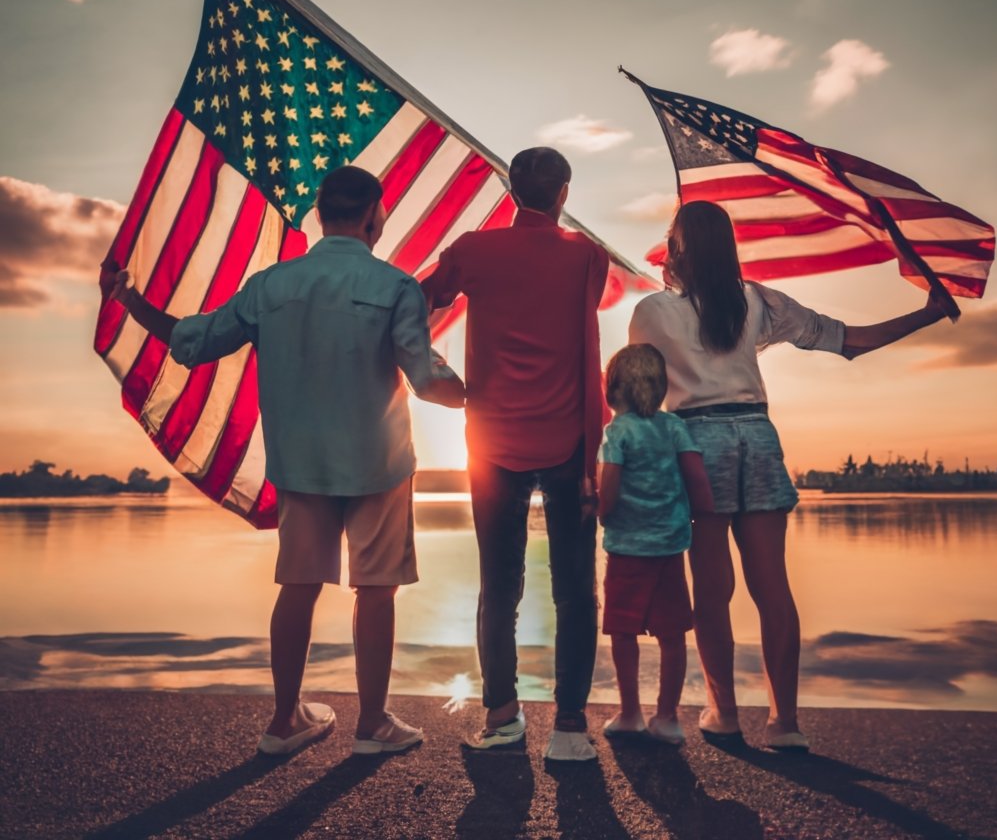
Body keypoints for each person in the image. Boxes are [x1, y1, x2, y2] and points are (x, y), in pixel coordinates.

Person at [103, 166, 465, 757]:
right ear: (374, 213)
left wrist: (127, 298)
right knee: (376, 590)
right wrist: (483, 395)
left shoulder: (271, 285)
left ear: (321, 214)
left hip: (302, 464)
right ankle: (372, 724)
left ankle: (284, 721)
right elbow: (426, 378)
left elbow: (192, 341)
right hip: (379, 462)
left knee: (297, 586)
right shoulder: (395, 286)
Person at [628, 200, 953, 751]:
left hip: (696, 443)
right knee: (771, 584)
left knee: (712, 587)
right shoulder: (758, 303)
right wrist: (927, 312)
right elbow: (852, 341)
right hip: (755, 436)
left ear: (678, 250)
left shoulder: (652, 312)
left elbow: (639, 397)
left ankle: (724, 714)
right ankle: (785, 724)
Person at [420, 146, 609, 761]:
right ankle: (571, 729)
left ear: (511, 189)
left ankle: (503, 718)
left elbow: (420, 300)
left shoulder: (473, 250)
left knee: (498, 586)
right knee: (575, 589)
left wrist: (429, 368)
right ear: (564, 194)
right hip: (569, 443)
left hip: (493, 444)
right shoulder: (589, 258)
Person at [597, 343, 715, 745]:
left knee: (623, 632)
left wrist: (597, 510)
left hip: (627, 551)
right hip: (669, 548)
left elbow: (608, 491)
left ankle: (630, 712)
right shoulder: (675, 427)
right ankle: (667, 717)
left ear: (613, 390)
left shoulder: (616, 432)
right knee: (672, 634)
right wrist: (698, 519)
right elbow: (698, 482)